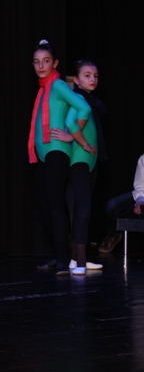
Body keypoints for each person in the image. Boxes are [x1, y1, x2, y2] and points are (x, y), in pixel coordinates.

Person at [29, 40, 94, 276]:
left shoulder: (56, 85)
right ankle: (59, 255)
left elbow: (83, 107)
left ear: (54, 63)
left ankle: (62, 260)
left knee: (54, 204)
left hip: (57, 151)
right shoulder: (43, 89)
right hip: (45, 153)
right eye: (36, 62)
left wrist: (72, 135)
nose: (41, 66)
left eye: (46, 61)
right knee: (46, 204)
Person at [51, 60, 104, 275]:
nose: (93, 79)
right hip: (80, 159)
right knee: (83, 208)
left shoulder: (87, 99)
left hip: (88, 160)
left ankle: (76, 259)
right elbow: (72, 124)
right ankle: (80, 261)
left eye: (95, 75)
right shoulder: (79, 98)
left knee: (78, 208)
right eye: (87, 75)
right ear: (76, 80)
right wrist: (80, 142)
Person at [100, 155, 144, 252]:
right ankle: (112, 235)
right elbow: (140, 185)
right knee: (111, 205)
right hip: (141, 195)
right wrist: (140, 200)